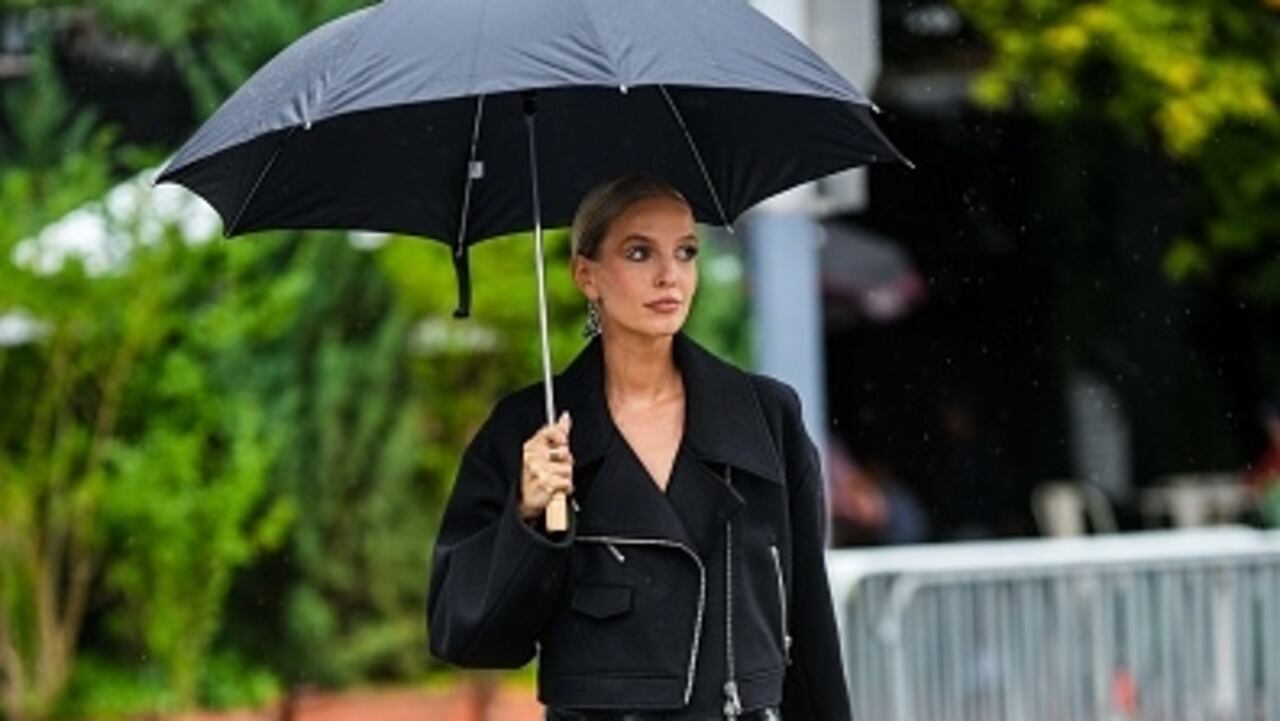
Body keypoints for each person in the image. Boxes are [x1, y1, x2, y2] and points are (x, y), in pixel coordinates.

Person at [426, 175, 853, 720]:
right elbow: (462, 632)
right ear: (587, 275)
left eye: (686, 251)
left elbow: (810, 625)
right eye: (638, 252)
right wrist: (526, 516)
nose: (669, 275)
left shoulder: (766, 416)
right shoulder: (529, 430)